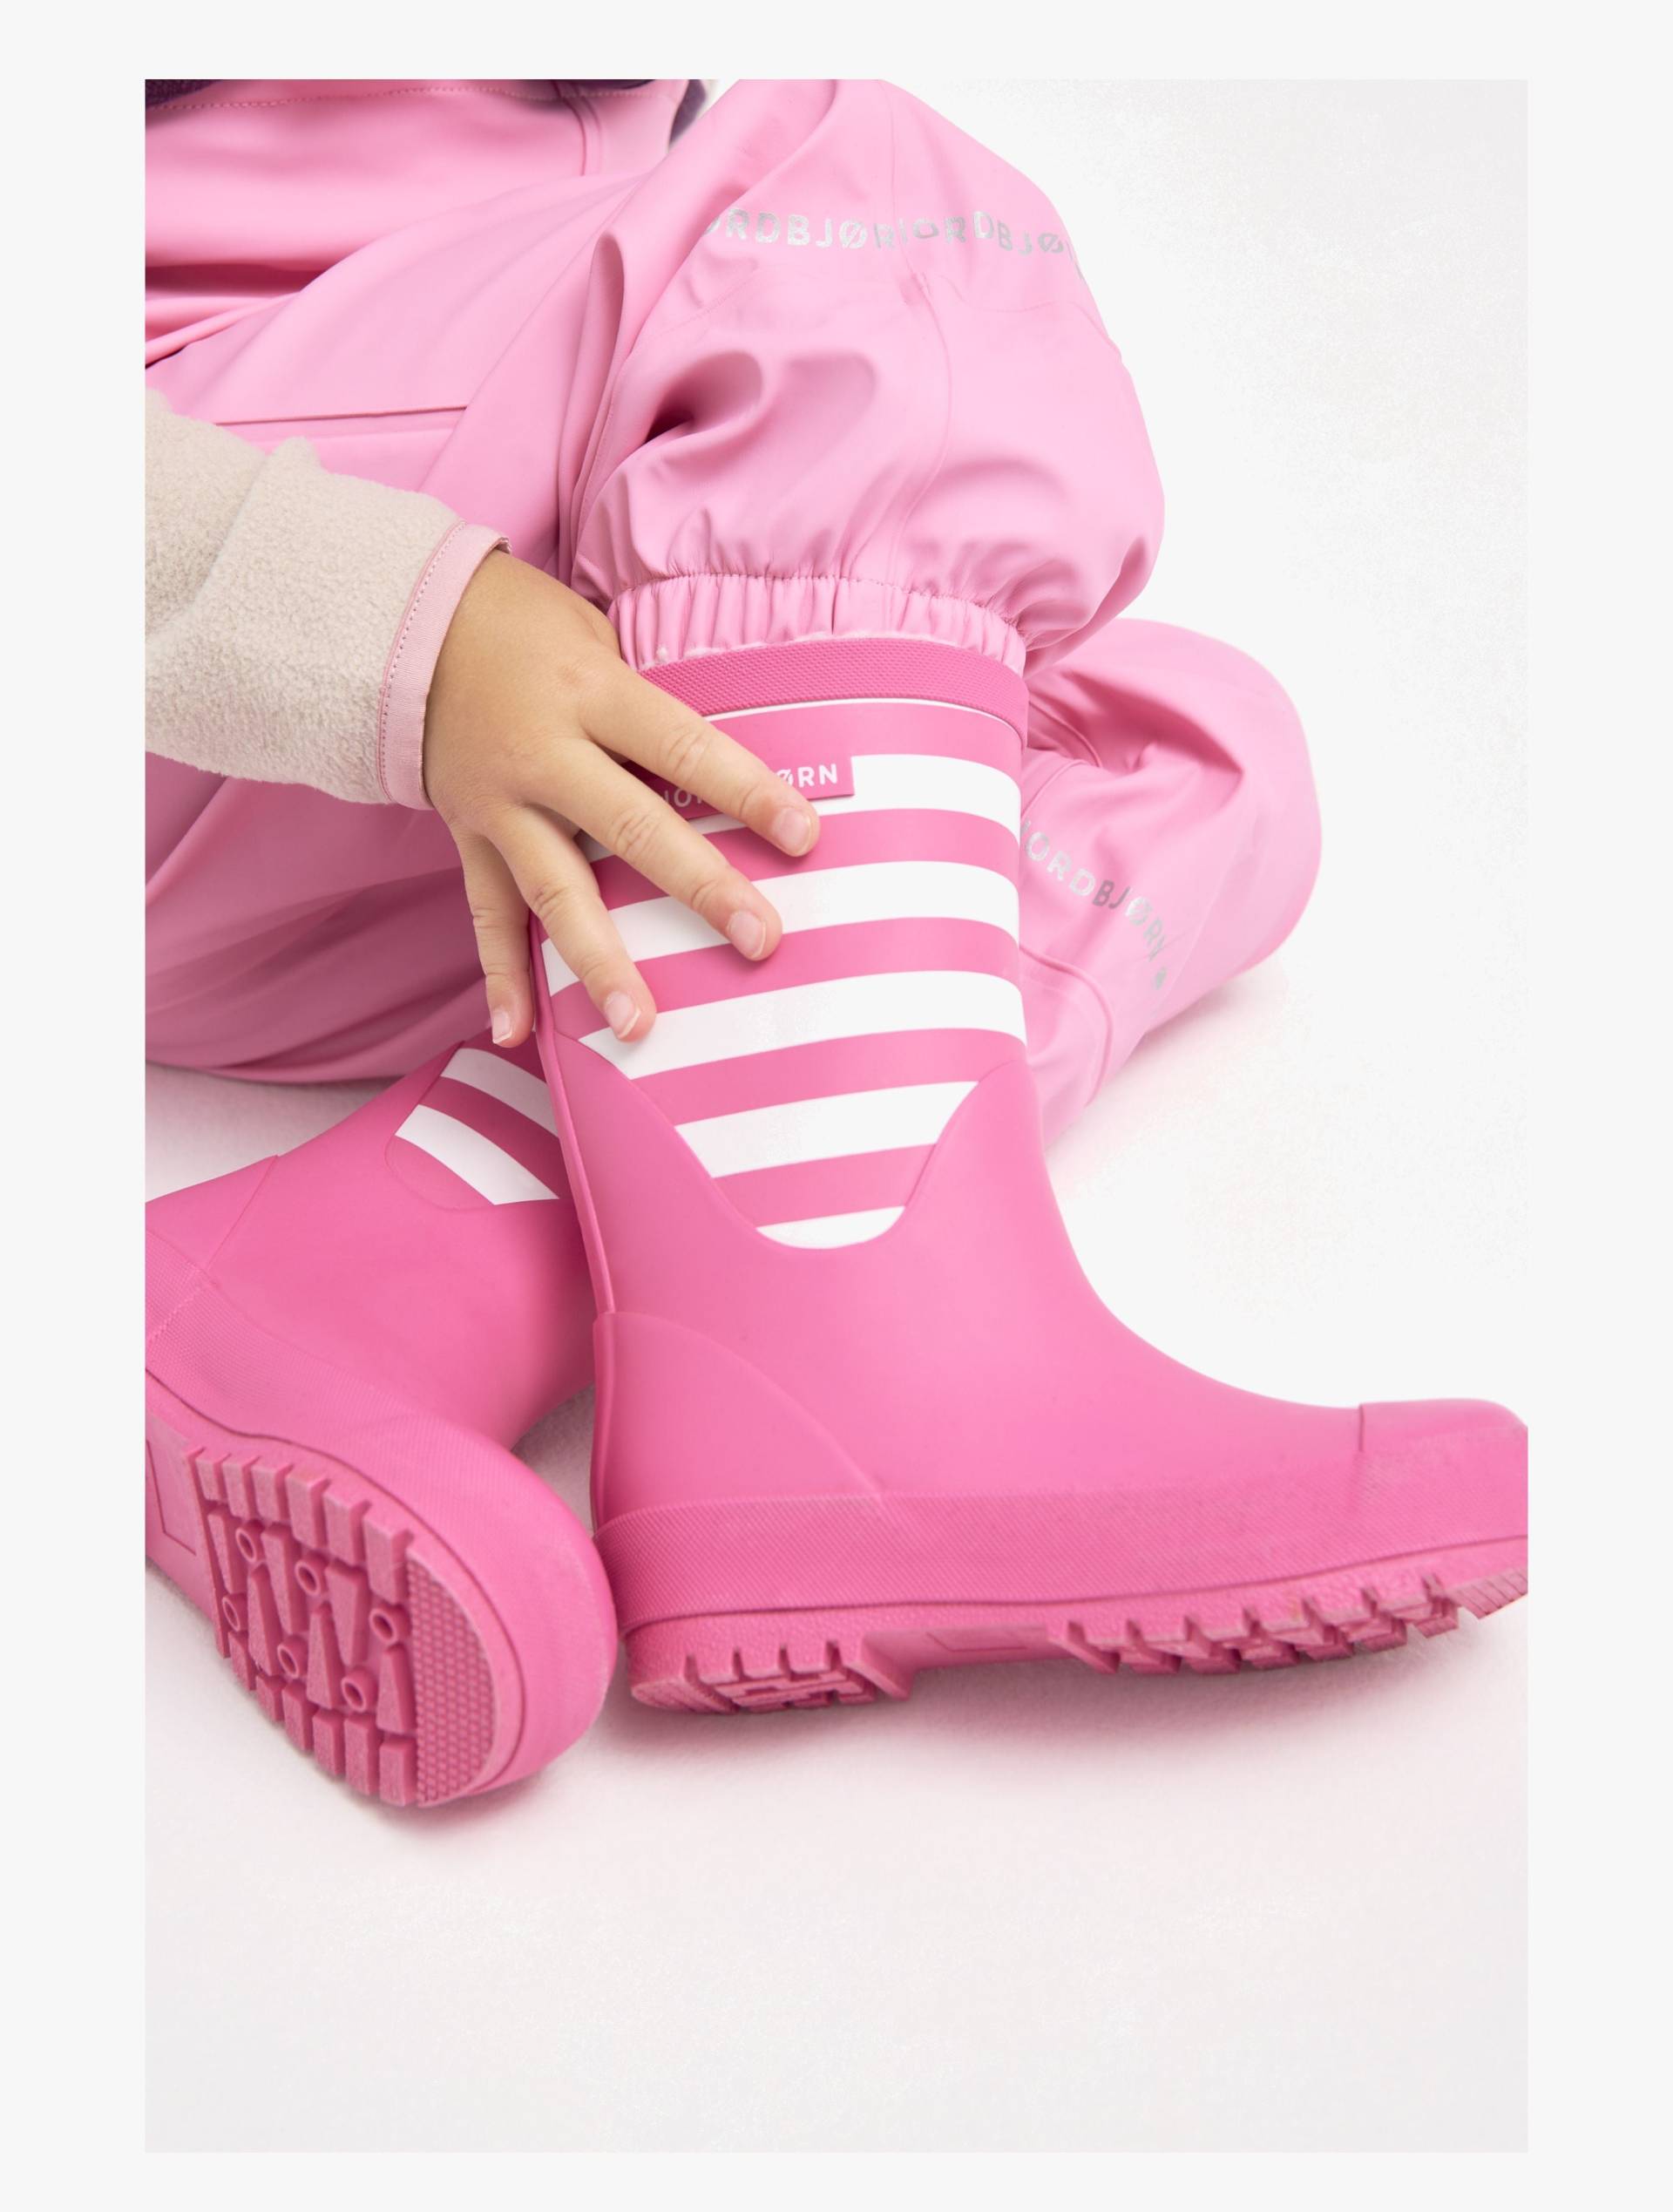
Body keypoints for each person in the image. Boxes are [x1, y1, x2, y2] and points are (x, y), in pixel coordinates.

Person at [146, 78, 1524, 1809]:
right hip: (187, 633)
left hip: (365, 816)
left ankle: (346, 1271)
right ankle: (872, 1368)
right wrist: (397, 630)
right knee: (851, 215)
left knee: (1182, 750)